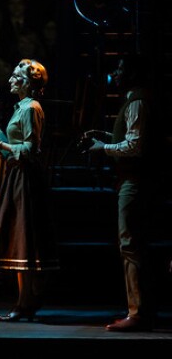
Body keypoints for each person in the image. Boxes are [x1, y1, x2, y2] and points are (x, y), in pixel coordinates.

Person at [82, 53, 155, 332]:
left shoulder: (137, 101)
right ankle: (137, 309)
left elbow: (135, 146)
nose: (117, 72)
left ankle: (138, 312)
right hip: (132, 180)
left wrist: (104, 148)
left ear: (134, 73)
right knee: (132, 245)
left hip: (135, 181)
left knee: (131, 245)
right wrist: (105, 138)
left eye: (122, 67)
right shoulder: (134, 100)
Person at [0, 58, 59, 322]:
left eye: (15, 76)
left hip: (26, 179)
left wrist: (4, 147)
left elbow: (31, 150)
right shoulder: (21, 108)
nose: (9, 80)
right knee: (19, 240)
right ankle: (23, 301)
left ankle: (25, 302)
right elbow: (16, 148)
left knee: (24, 240)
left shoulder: (31, 109)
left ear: (26, 82)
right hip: (15, 175)